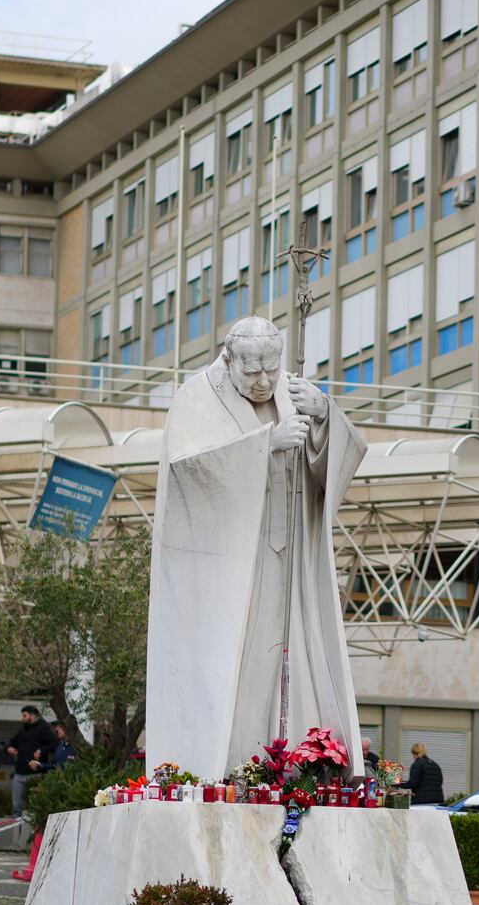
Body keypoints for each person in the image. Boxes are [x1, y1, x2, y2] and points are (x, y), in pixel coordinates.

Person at [146, 316, 368, 781]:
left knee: (296, 659)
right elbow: (189, 471)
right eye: (253, 372)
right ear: (229, 361)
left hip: (291, 558)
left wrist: (325, 413)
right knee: (240, 667)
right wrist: (266, 444)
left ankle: (299, 768)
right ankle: (234, 770)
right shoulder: (195, 398)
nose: (265, 381)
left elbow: (339, 465)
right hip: (231, 567)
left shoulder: (290, 391)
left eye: (272, 368)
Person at [6, 705, 57, 813]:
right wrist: (9, 747)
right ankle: (17, 829)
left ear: (32, 715)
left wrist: (41, 750)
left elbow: (54, 743)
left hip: (36, 775)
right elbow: (12, 741)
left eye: (25, 715)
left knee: (34, 807)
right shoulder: (23, 729)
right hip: (19, 774)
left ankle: (31, 830)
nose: (22, 718)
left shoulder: (43, 728)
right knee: (17, 807)